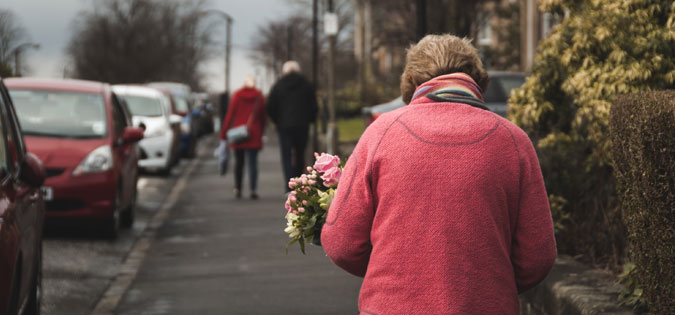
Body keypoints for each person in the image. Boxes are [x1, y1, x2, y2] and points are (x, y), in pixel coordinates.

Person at [321, 34, 557, 314]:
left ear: (412, 81)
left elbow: (342, 244)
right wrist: (488, 284)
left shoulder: (380, 134)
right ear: (477, 79)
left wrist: (392, 271)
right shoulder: (513, 141)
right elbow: (537, 256)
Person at [266, 60, 318, 191]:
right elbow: (314, 105)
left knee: (286, 155)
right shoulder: (306, 84)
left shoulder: (278, 85)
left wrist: (277, 120)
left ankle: (289, 185)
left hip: (284, 126)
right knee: (300, 153)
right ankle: (300, 184)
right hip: (302, 124)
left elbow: (270, 106)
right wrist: (310, 119)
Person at [219, 76, 266, 199]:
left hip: (239, 133)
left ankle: (238, 188)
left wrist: (223, 133)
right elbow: (263, 117)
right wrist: (261, 132)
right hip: (254, 133)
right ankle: (253, 189)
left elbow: (230, 115)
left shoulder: (237, 95)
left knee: (239, 163)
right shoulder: (259, 96)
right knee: (253, 163)